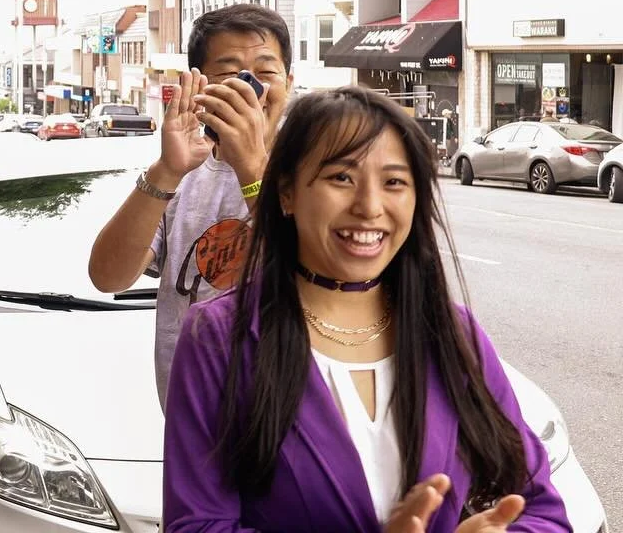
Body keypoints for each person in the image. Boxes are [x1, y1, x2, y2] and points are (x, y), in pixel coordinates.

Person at [162, 88, 569, 533]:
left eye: (394, 182)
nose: (370, 207)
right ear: (286, 193)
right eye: (341, 177)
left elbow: (541, 509)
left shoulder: (453, 332)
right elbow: (197, 525)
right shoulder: (220, 337)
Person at [88, 3, 292, 406]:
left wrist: (251, 163)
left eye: (266, 73)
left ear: (290, 81)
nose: (250, 87)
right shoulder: (183, 173)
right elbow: (108, 276)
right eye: (229, 74)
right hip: (191, 419)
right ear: (199, 86)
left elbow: (304, 276)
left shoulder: (315, 168)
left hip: (285, 422)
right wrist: (166, 171)